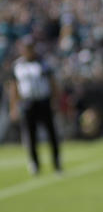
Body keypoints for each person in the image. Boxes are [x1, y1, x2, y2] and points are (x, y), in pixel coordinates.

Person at [7, 37, 62, 175]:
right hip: (27, 102)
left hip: (43, 101)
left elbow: (52, 82)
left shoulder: (43, 63)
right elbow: (14, 88)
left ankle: (56, 162)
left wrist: (56, 100)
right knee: (30, 135)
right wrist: (13, 106)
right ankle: (35, 164)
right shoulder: (17, 66)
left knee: (51, 133)